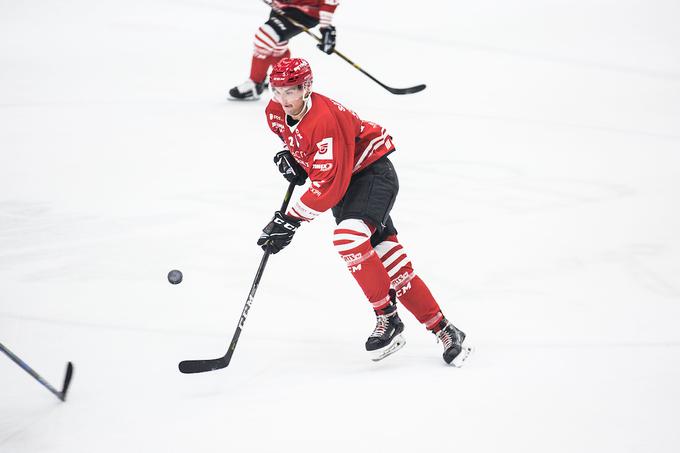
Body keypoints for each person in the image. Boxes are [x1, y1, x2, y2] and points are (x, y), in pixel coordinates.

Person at [257, 58, 472, 366]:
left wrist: (290, 221)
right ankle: (446, 329)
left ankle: (387, 317)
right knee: (390, 262)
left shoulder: (324, 118)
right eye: (277, 91)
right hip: (347, 183)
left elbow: (330, 184)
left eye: (290, 91)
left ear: (306, 88)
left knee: (348, 239)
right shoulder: (274, 112)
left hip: (371, 176)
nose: (283, 99)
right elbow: (305, 149)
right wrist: (294, 160)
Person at [228, 0, 339, 101]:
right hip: (280, 6)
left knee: (265, 36)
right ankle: (284, 80)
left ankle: (255, 84)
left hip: (305, 11)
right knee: (276, 43)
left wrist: (326, 26)